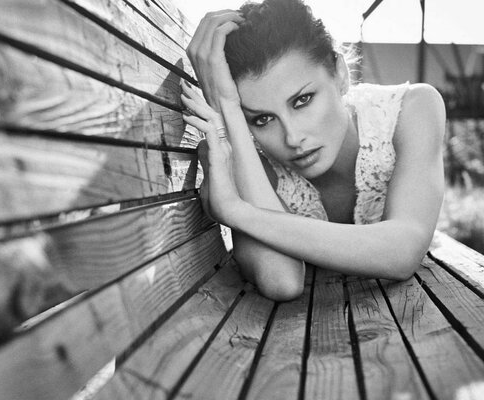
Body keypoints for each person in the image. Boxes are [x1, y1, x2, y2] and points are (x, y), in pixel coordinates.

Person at [181, 0, 446, 301]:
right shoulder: (250, 154)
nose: (292, 138)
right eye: (262, 118)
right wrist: (226, 108)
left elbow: (403, 252)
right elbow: (281, 281)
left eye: (303, 100)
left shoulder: (413, 109)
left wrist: (235, 211)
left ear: (340, 75)